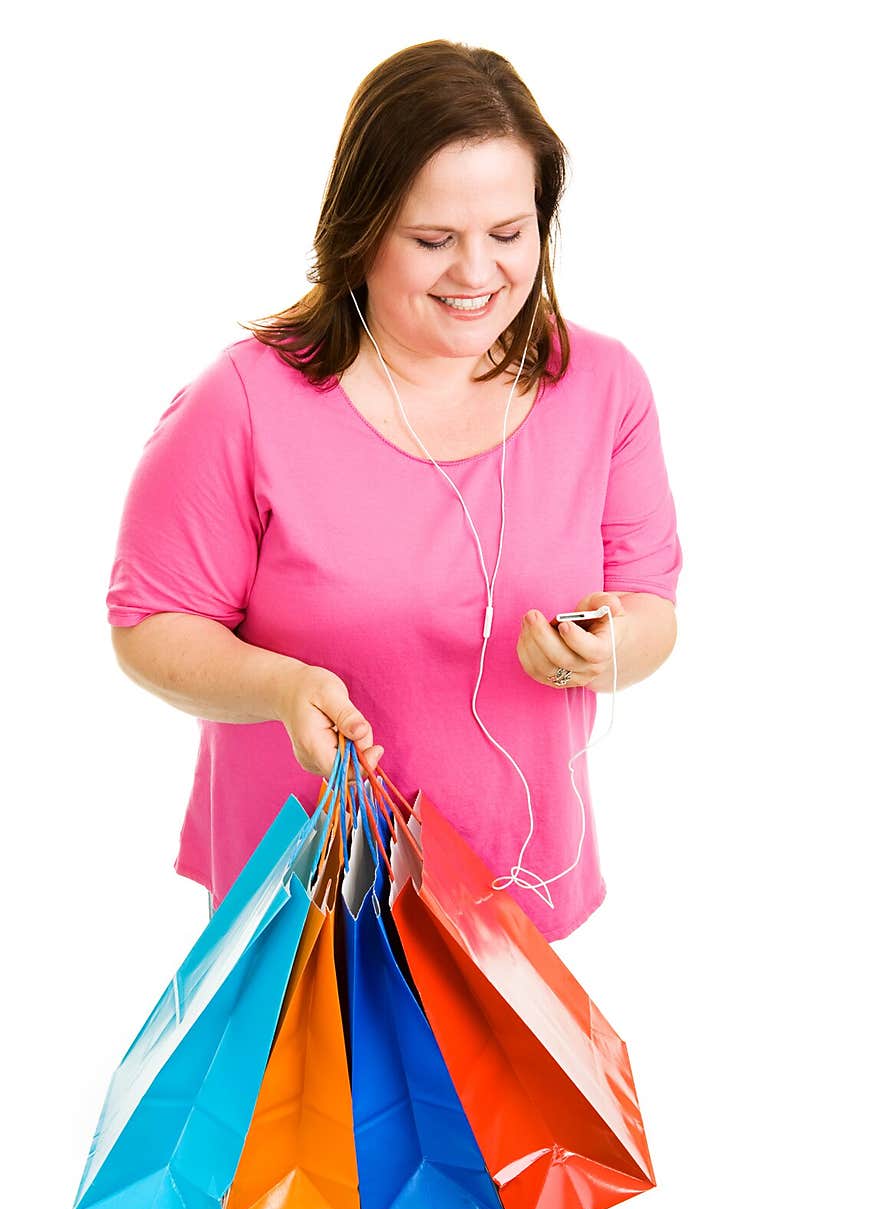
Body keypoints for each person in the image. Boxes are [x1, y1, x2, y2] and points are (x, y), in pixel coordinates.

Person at [106, 39, 683, 944]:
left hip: (511, 898)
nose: (478, 274)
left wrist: (599, 648)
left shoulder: (601, 386)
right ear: (361, 228)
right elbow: (149, 626)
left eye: (509, 234)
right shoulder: (246, 400)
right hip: (302, 907)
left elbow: (650, 612)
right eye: (432, 240)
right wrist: (279, 684)